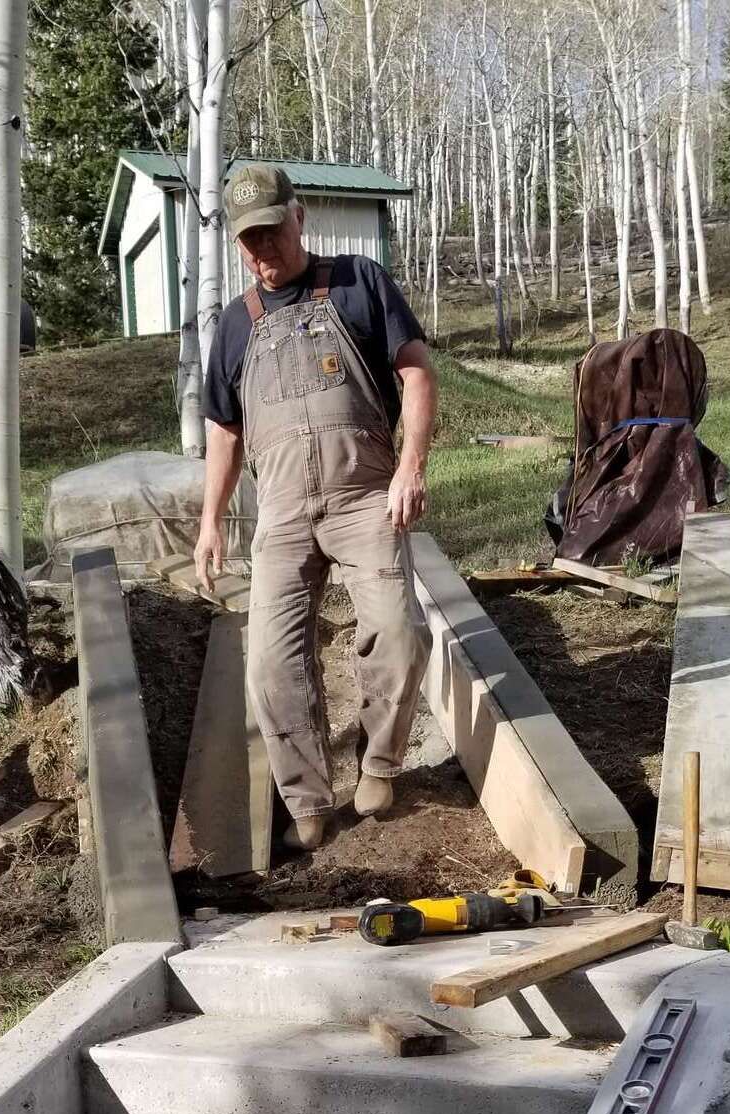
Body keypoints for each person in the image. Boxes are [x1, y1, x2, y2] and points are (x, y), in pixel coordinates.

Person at [193, 165, 438, 852]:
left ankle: (380, 761)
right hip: (282, 513)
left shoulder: (359, 281)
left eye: (272, 232)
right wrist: (210, 520)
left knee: (398, 630)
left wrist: (410, 468)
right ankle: (306, 797)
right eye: (249, 242)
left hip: (364, 495)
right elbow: (223, 431)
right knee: (270, 663)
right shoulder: (235, 327)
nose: (263, 251)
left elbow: (415, 370)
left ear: (298, 218)